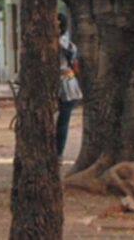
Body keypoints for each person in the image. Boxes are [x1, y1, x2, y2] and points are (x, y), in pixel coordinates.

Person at [57, 13, 82, 159]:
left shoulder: (60, 45)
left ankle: (58, 152)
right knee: (63, 121)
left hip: (61, 85)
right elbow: (75, 67)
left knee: (61, 121)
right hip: (69, 84)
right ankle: (58, 153)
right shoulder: (69, 46)